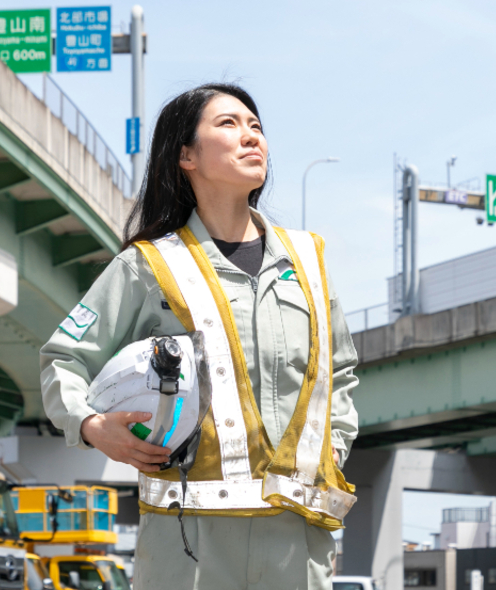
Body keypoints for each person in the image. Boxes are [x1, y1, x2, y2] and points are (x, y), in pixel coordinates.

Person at [40, 83, 360, 590]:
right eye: (229, 124)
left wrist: (334, 449)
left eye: (256, 126)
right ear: (185, 154)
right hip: (187, 545)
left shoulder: (309, 262)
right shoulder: (147, 265)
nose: (251, 136)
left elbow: (339, 371)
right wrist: (91, 425)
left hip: (298, 541)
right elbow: (64, 357)